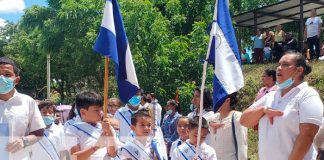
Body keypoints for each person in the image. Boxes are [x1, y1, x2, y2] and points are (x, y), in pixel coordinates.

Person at [240, 51, 323, 160]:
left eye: (285, 65)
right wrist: (263, 110)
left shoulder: (307, 95)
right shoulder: (271, 96)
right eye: (279, 64)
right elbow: (244, 120)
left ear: (299, 70)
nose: (279, 68)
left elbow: (307, 135)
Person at [0, 57, 45, 159]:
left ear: (16, 80)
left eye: (7, 74)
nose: (1, 78)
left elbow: (38, 133)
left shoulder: (27, 102)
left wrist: (23, 141)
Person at [65, 91, 118, 160]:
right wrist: (96, 146)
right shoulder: (72, 129)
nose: (101, 113)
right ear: (83, 112)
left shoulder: (106, 127)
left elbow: (113, 154)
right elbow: (74, 157)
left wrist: (110, 133)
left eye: (101, 109)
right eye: (96, 110)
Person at [209, 92, 247, 160]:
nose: (214, 100)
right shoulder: (213, 118)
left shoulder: (237, 117)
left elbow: (242, 146)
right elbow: (197, 123)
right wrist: (209, 123)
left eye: (217, 98)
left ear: (227, 100)